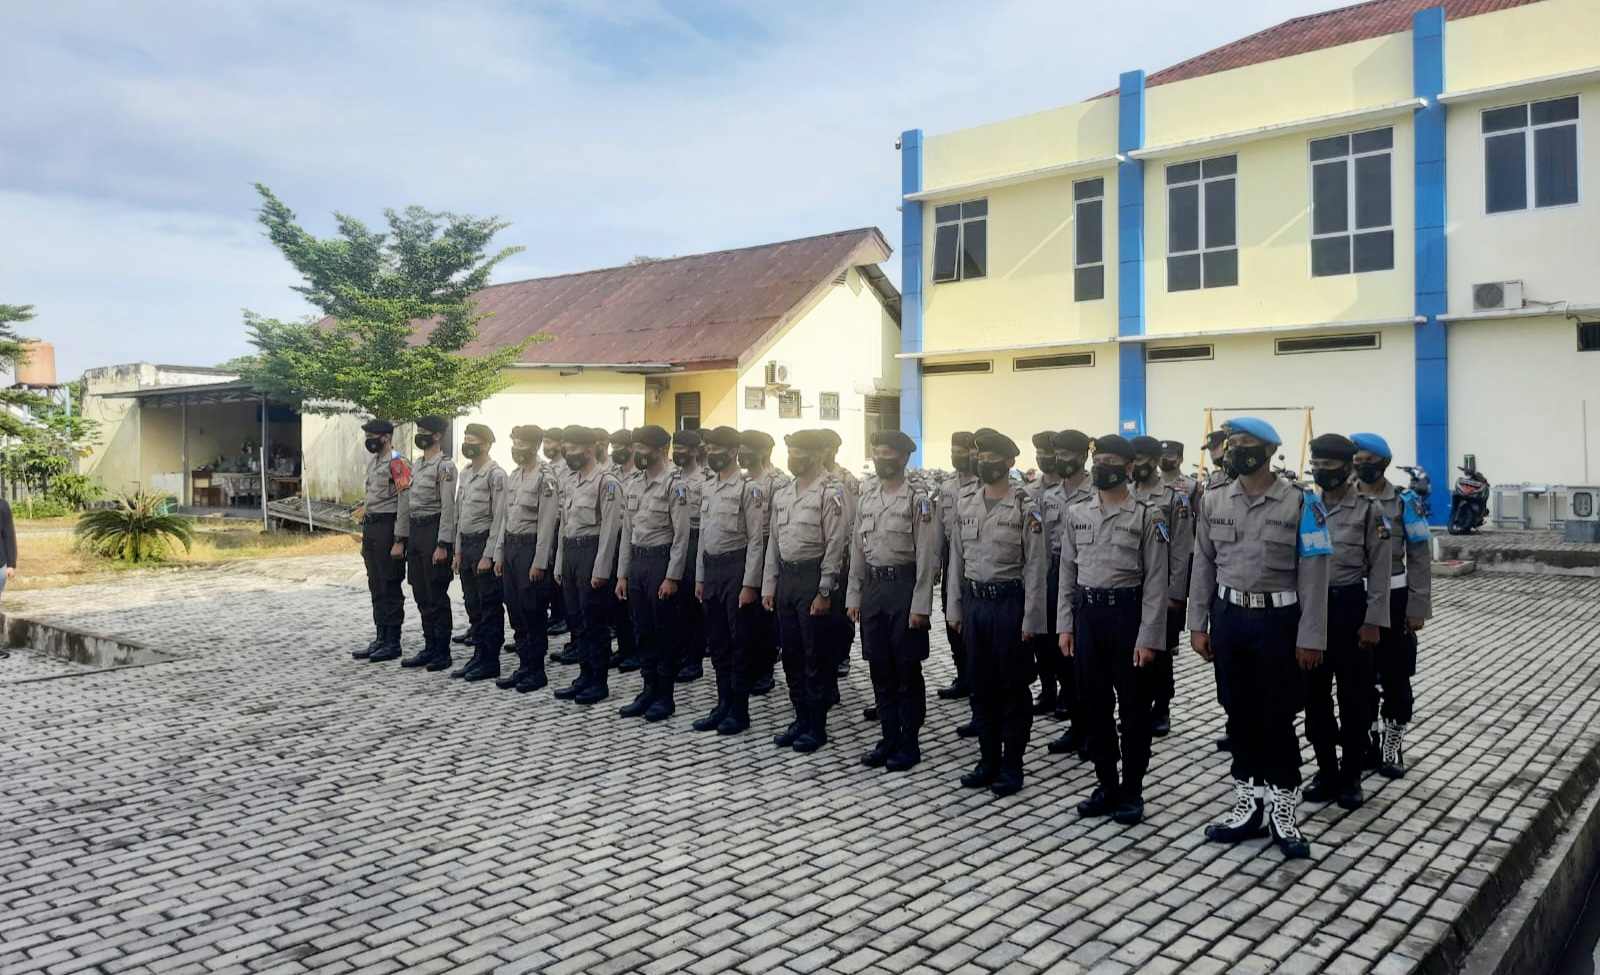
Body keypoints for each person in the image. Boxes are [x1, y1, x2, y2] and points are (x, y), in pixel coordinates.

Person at [1189, 417, 1330, 860]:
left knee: (1277, 718)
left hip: (1280, 623)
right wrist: (1198, 623)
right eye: (1233, 444)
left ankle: (1283, 812)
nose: (1236, 451)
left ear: (1268, 451)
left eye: (1246, 445)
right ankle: (1247, 806)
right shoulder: (1213, 500)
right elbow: (1204, 564)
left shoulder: (1302, 503)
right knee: (1239, 715)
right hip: (1230, 620)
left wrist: (1312, 636)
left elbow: (1315, 573)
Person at [1059, 434, 1169, 825]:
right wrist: (1065, 626)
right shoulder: (1078, 512)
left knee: (1135, 710)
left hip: (1128, 617)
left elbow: (1157, 581)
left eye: (1109, 461)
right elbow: (1067, 573)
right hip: (1088, 617)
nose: (1100, 467)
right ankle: (1106, 782)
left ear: (1127, 468)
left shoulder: (1148, 514)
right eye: (1097, 460)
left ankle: (1132, 790)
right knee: (1094, 706)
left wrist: (1149, 637)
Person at [947, 429, 1048, 797]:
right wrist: (954, 608)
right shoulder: (966, 500)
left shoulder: (1025, 504)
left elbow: (1037, 566)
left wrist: (1032, 619)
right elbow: (956, 558)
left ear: (1009, 462)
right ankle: (987, 759)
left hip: (1010, 604)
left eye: (992, 457)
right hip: (975, 604)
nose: (984, 462)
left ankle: (1012, 764)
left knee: (1012, 689)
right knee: (981, 685)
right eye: (980, 456)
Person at [1304, 433, 1389, 809]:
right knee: (1315, 699)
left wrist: (1373, 621)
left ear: (1346, 466)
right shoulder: (1305, 506)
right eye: (1317, 465)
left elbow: (1382, 570)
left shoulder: (1369, 511)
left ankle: (1352, 774)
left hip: (1350, 609)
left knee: (1354, 699)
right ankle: (1326, 770)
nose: (1322, 472)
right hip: (1312, 611)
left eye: (1329, 465)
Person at [848, 431, 938, 771]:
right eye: (877, 452)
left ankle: (909, 742)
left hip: (904, 588)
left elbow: (928, 557)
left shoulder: (918, 498)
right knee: (879, 668)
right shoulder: (867, 494)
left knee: (906, 670)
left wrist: (921, 605)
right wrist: (853, 594)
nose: (881, 458)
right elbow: (857, 548)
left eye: (888, 453)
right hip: (873, 589)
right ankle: (888, 736)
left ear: (903, 458)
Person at [1352, 431, 1433, 779]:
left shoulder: (1405, 503)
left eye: (1367, 458)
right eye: (1356, 458)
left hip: (1395, 598)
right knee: (1358, 676)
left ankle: (1392, 743)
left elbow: (1419, 555)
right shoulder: (1342, 499)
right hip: (1355, 597)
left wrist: (1418, 606)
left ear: (1383, 462)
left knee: (1396, 675)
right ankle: (1368, 741)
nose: (1360, 464)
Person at [762, 430, 848, 753]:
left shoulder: (831, 492)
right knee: (791, 655)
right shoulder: (784, 493)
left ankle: (816, 725)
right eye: (791, 451)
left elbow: (835, 545)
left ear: (815, 455)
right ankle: (799, 716)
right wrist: (770, 584)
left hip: (814, 578)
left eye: (799, 452)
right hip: (787, 579)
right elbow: (774, 541)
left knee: (816, 656)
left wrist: (825, 591)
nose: (793, 457)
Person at [693, 426, 769, 735]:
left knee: (739, 644)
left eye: (718, 448)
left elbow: (755, 540)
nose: (711, 453)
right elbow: (703, 538)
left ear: (733, 452)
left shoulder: (748, 489)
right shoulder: (709, 487)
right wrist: (699, 576)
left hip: (736, 569)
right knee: (718, 643)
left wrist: (750, 584)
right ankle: (722, 704)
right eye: (708, 448)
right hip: (711, 570)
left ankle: (739, 710)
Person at [616, 426, 692, 722]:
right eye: (636, 447)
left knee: (664, 633)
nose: (638, 453)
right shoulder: (634, 483)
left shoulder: (675, 485)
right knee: (642, 630)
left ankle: (665, 696)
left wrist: (672, 577)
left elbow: (681, 536)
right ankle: (648, 689)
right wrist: (622, 574)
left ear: (661, 450)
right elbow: (627, 533)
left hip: (661, 562)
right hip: (638, 562)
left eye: (643, 447)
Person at [553, 426, 624, 705]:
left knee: (594, 621)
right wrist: (559, 562)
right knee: (576, 620)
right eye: (566, 449)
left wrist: (601, 569)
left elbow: (609, 529)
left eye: (572, 449)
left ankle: (598, 681)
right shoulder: (571, 481)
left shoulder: (606, 482)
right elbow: (564, 526)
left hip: (591, 553)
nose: (568, 454)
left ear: (589, 449)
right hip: (571, 553)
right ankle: (583, 675)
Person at [1131, 435, 1194, 737]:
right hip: (1132, 585)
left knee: (1162, 651)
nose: (1137, 465)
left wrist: (1176, 592)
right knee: (1134, 648)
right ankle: (1138, 707)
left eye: (1143, 459)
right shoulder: (1126, 491)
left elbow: (1182, 547)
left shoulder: (1175, 495)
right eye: (1135, 459)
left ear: (1155, 460)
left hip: (1163, 585)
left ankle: (1162, 709)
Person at [494, 424, 559, 692]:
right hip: (511, 547)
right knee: (515, 609)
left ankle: (536, 670)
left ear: (534, 446)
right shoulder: (515, 475)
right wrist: (499, 552)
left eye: (521, 443)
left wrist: (539, 562)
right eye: (514, 442)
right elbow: (504, 519)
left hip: (531, 549)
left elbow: (546, 524)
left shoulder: (546, 477)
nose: (516, 447)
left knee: (533, 611)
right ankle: (523, 665)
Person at [1044, 430, 1094, 756]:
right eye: (1058, 454)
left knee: (1088, 662)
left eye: (1068, 454)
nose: (1062, 460)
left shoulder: (1096, 492)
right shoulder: (1048, 497)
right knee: (1059, 655)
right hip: (1055, 576)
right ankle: (1076, 727)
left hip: (1087, 578)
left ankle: (1093, 730)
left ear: (1083, 457)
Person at [398, 415, 457, 672]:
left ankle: (442, 651)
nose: (420, 434)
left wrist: (443, 543)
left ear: (437, 436)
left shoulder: (444, 467)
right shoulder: (418, 465)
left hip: (434, 530)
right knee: (420, 591)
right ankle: (429, 645)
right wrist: (402, 538)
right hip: (417, 531)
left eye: (425, 431)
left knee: (436, 593)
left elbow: (448, 507)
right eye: (418, 430)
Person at [451, 422, 508, 682]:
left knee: (489, 607)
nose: (468, 443)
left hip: (485, 543)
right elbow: (461, 515)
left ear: (486, 445)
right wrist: (458, 551)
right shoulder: (465, 473)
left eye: (473, 439)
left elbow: (499, 519)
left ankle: (490, 660)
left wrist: (489, 554)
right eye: (466, 438)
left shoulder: (496, 475)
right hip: (468, 544)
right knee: (473, 605)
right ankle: (478, 655)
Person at [353, 419, 410, 662]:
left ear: (386, 437)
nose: (369, 441)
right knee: (376, 584)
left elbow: (404, 500)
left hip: (389, 527)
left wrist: (400, 538)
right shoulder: (375, 461)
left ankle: (393, 641)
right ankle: (381, 637)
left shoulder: (398, 462)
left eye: (373, 436)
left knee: (389, 585)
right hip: (373, 527)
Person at [740, 430, 789, 696]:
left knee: (766, 614)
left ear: (763, 452)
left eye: (748, 448)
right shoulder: (744, 480)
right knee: (748, 616)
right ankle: (751, 665)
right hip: (748, 548)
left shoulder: (777, 481)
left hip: (770, 546)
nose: (742, 453)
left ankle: (766, 670)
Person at [1198, 427, 1235, 751]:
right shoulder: (1214, 487)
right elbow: (1205, 555)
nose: (1215, 455)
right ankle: (1234, 723)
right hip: (1224, 596)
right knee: (1226, 671)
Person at [936, 432, 978, 707]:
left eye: (961, 450)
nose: (955, 455)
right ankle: (962, 675)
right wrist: (938, 563)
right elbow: (939, 527)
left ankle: (976, 679)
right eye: (952, 449)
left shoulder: (980, 484)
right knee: (951, 617)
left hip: (974, 558)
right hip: (952, 556)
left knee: (971, 622)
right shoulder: (947, 487)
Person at [817, 427, 859, 685]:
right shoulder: (812, 478)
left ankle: (842, 654)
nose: (821, 452)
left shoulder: (846, 480)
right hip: (816, 554)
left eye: (825, 447)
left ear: (834, 450)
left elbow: (852, 519)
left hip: (841, 553)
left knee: (841, 610)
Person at [672, 430, 711, 683]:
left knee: (693, 604)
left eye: (683, 448)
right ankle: (680, 653)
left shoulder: (706, 479)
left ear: (696, 451)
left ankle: (694, 660)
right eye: (676, 447)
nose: (678, 453)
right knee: (675, 606)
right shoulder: (671, 478)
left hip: (697, 540)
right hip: (674, 540)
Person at [1027, 431, 1060, 716]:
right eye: (1038, 453)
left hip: (1064, 570)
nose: (1042, 458)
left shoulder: (1076, 490)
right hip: (1037, 571)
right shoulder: (1030, 491)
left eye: (1047, 453)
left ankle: (1069, 692)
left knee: (1063, 634)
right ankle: (1048, 688)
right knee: (1040, 635)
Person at [605, 429, 640, 673]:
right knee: (616, 601)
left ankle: (637, 651)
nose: (615, 450)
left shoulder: (640, 474)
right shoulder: (612, 475)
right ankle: (625, 648)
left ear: (631, 449)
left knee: (632, 603)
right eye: (613, 446)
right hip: (615, 540)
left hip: (634, 540)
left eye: (620, 446)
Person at [542, 427, 571, 639]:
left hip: (560, 522)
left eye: (550, 442)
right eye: (545, 442)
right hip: (548, 523)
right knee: (550, 571)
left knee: (558, 572)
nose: (546, 447)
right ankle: (555, 614)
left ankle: (562, 616)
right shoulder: (548, 467)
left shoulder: (566, 468)